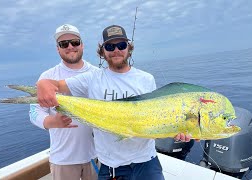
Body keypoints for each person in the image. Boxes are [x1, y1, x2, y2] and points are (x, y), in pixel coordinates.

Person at [36, 25, 191, 180]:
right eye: (110, 46)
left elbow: (157, 116)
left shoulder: (147, 79)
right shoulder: (91, 78)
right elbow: (55, 85)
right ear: (103, 51)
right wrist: (43, 83)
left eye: (121, 45)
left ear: (129, 48)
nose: (116, 50)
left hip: (146, 162)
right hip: (112, 166)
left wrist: (177, 130)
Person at [29, 24, 98, 180]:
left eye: (74, 42)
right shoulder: (47, 77)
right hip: (63, 160)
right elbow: (34, 112)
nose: (70, 47)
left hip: (95, 155)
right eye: (63, 44)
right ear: (57, 49)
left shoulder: (97, 74)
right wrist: (51, 121)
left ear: (82, 44)